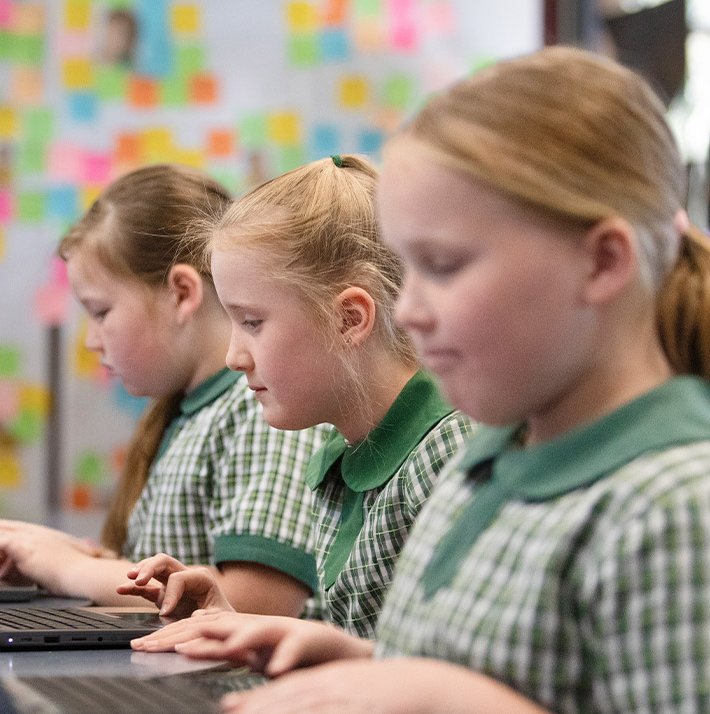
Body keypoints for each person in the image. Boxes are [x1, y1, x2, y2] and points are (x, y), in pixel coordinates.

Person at [157, 47, 710, 714]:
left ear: (601, 263)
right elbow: (506, 670)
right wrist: (358, 663)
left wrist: (438, 697)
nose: (408, 311)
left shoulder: (694, 506)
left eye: (443, 265)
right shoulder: (494, 457)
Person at [117, 155, 473, 641]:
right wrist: (233, 619)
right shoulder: (341, 454)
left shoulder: (446, 454)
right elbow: (362, 639)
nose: (233, 357)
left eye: (252, 322)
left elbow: (450, 663)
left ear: (348, 319)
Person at [0, 164, 331, 615]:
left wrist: (69, 569)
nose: (91, 340)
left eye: (100, 311)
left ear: (181, 294)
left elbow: (256, 603)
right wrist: (65, 560)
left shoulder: (259, 409)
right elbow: (175, 578)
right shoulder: (189, 413)